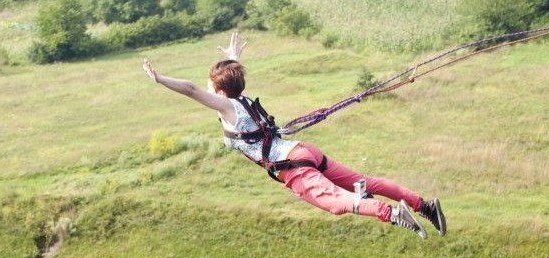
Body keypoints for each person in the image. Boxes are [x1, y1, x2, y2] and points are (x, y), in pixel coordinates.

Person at [142, 32, 446, 239]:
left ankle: (392, 214)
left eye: (213, 85)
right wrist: (232, 57)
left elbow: (193, 90)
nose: (207, 89)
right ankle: (424, 205)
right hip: (303, 151)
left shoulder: (226, 107)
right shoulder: (242, 99)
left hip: (293, 167)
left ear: (220, 91)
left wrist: (159, 79)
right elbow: (223, 82)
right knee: (366, 182)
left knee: (338, 203)